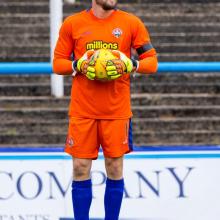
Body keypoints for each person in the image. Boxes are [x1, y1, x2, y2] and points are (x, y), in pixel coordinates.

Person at [53, 0, 158, 219]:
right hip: (83, 111)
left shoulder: (131, 23)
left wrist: (133, 64)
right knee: (80, 168)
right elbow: (58, 63)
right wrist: (77, 64)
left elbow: (152, 61)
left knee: (114, 167)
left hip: (116, 111)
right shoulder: (73, 23)